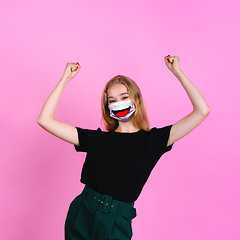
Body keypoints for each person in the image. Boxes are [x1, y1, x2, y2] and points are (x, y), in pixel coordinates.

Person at [37, 55, 211, 240]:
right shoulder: (96, 139)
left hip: (118, 220)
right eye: (112, 100)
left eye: (124, 97)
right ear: (107, 106)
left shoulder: (154, 141)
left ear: (136, 99)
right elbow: (45, 120)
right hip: (83, 212)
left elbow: (202, 110)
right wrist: (65, 79)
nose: (118, 103)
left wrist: (177, 72)